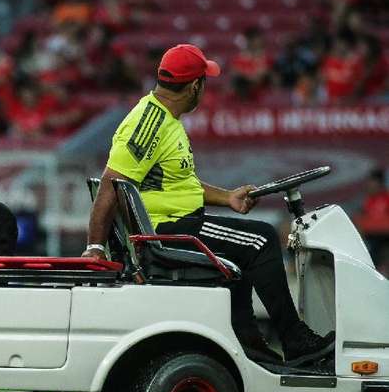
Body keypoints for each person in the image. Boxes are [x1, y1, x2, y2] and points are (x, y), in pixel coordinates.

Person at [82, 44, 335, 368]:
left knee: (245, 247)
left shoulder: (163, 119)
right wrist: (95, 246)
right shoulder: (148, 125)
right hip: (167, 233)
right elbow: (110, 185)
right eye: (205, 80)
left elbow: (179, 185)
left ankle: (249, 346)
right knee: (260, 240)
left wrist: (227, 197)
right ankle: (295, 341)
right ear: (195, 86)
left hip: (174, 225)